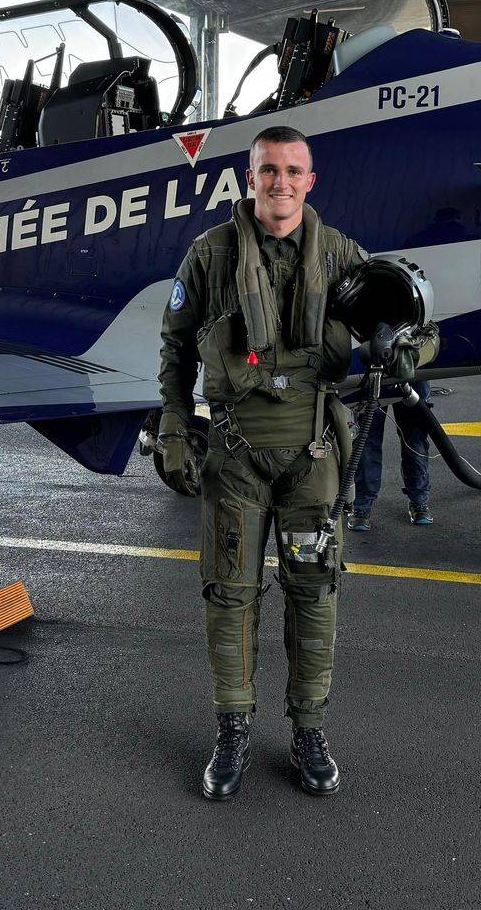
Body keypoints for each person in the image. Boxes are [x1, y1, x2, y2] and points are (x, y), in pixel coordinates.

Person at [156, 125, 366, 801]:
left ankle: (309, 728)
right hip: (235, 458)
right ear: (251, 178)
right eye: (268, 169)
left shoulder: (339, 255)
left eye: (292, 170)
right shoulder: (211, 254)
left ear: (311, 180)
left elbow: (410, 318)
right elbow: (176, 342)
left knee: (314, 596)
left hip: (312, 457)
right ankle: (234, 727)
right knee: (230, 596)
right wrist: (172, 419)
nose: (280, 181)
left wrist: (407, 344)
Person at [347, 379, 434, 530]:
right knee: (366, 439)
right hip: (376, 369)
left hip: (413, 368)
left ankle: (419, 500)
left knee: (414, 437)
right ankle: (362, 506)